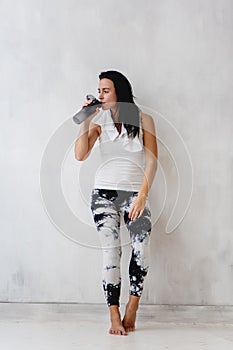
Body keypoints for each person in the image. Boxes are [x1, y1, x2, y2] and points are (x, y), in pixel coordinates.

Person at [74, 70, 158, 336]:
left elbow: (153, 160)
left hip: (135, 194)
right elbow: (79, 155)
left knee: (141, 249)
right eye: (99, 91)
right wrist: (85, 121)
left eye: (106, 90)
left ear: (119, 91)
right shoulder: (100, 122)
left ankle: (132, 306)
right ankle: (113, 315)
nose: (100, 95)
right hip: (103, 196)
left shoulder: (145, 120)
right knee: (111, 253)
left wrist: (143, 195)